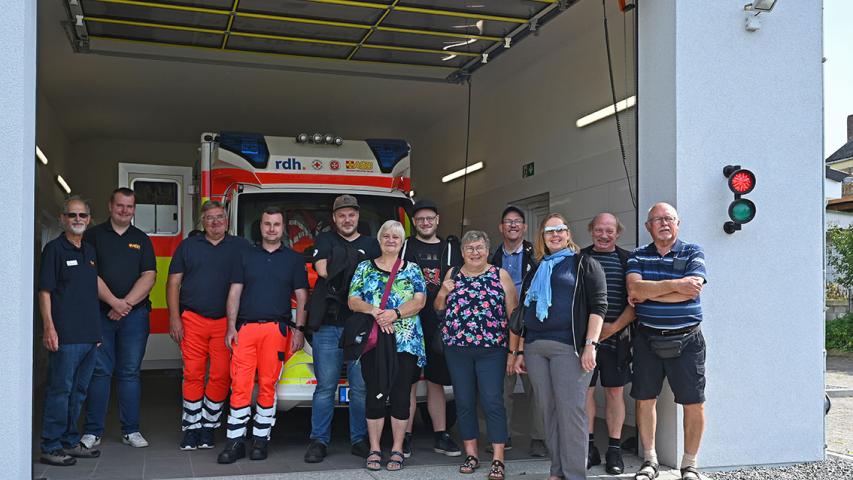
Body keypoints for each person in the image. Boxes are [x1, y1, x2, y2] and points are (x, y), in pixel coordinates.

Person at [513, 213, 607, 480]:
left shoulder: (584, 264)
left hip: (570, 348)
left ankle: (576, 474)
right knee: (549, 411)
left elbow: (599, 306)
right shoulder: (536, 269)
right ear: (542, 237)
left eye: (560, 230)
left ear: (568, 234)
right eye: (549, 231)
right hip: (535, 348)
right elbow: (525, 312)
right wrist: (519, 350)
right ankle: (557, 470)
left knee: (572, 412)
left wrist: (591, 344)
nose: (555, 235)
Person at [217, 206, 309, 463]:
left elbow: (302, 297)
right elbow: (234, 292)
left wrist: (299, 329)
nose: (271, 229)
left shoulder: (294, 259)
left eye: (276, 224)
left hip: (276, 330)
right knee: (240, 386)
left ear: (283, 228)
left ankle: (260, 441)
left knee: (268, 386)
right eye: (267, 224)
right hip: (245, 330)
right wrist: (231, 327)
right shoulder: (245, 256)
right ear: (261, 227)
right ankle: (235, 442)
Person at [626, 203, 707, 480]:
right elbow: (634, 289)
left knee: (693, 402)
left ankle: (690, 464)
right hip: (647, 338)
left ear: (678, 223)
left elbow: (692, 291)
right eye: (657, 219)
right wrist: (676, 285)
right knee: (645, 399)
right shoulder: (637, 256)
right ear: (648, 226)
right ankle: (650, 461)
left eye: (669, 218)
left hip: (688, 340)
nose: (663, 223)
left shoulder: (693, 251)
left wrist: (650, 292)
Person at [167, 201, 250, 450]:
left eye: (220, 217)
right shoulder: (188, 246)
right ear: (202, 222)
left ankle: (208, 425)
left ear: (227, 220)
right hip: (192, 319)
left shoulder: (241, 246)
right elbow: (173, 284)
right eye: (210, 218)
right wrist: (174, 317)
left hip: (227, 323)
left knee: (221, 375)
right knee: (192, 374)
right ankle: (191, 428)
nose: (216, 222)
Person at [436, 231, 517, 480]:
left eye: (479, 247)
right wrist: (442, 292)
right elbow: (438, 308)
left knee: (493, 401)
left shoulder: (499, 275)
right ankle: (470, 454)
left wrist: (514, 352)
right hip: (457, 350)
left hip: (492, 350)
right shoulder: (452, 275)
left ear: (487, 250)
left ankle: (498, 458)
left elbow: (513, 317)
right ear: (462, 252)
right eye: (469, 248)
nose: (474, 252)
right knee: (463, 401)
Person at [304, 194, 380, 463]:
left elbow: (378, 278)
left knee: (360, 388)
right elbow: (323, 270)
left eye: (352, 214)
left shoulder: (372, 244)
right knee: (325, 386)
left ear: (358, 217)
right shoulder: (324, 240)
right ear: (334, 219)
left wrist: (345, 266)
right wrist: (358, 270)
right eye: (341, 215)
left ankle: (359, 439)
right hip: (328, 325)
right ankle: (318, 440)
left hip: (360, 325)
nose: (347, 219)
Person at [348, 220, 427, 471]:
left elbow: (420, 300)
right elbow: (352, 300)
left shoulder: (413, 269)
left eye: (396, 236)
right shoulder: (364, 268)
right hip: (374, 340)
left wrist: (394, 313)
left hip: (405, 341)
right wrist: (375, 311)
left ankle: (397, 448)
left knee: (402, 394)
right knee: (375, 393)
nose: (391, 240)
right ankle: (373, 448)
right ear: (379, 240)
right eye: (386, 236)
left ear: (402, 241)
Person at [81, 187, 156, 449]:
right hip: (101, 315)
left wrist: (125, 305)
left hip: (134, 317)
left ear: (134, 209)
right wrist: (114, 303)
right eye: (120, 205)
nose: (125, 211)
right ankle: (93, 432)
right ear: (110, 206)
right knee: (100, 373)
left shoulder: (142, 239)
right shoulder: (92, 236)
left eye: (130, 206)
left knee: (129, 373)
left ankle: (131, 431)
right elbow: (90, 275)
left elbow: (149, 276)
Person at [38, 197, 103, 466]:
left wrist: (97, 333)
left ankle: (68, 441)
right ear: (63, 218)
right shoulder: (54, 250)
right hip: (64, 336)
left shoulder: (89, 251)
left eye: (83, 215)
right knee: (60, 391)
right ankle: (50, 446)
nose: (77, 219)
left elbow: (88, 294)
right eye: (72, 215)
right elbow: (45, 292)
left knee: (78, 392)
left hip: (89, 336)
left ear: (89, 219)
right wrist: (49, 328)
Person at [401, 199, 462, 458]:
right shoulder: (405, 246)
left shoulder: (451, 248)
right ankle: (404, 436)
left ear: (437, 220)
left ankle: (441, 435)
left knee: (437, 382)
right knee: (409, 383)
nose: (425, 223)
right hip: (410, 324)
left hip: (441, 325)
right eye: (420, 219)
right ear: (414, 223)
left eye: (430, 218)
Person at [581, 212, 635, 474]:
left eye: (609, 230)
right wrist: (590, 336)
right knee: (586, 393)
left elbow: (636, 303)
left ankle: (614, 449)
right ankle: (589, 448)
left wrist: (612, 329)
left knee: (615, 393)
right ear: (591, 230)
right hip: (585, 342)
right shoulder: (578, 259)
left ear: (618, 232)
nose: (604, 235)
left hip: (618, 340)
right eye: (599, 230)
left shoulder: (628, 261)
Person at [490, 205, 545, 456]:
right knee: (502, 389)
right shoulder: (491, 260)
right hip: (500, 332)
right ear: (501, 228)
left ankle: (539, 438)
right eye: (507, 222)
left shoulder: (538, 259)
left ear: (524, 227)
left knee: (537, 387)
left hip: (531, 331)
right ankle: (503, 436)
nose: (512, 225)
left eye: (517, 222)